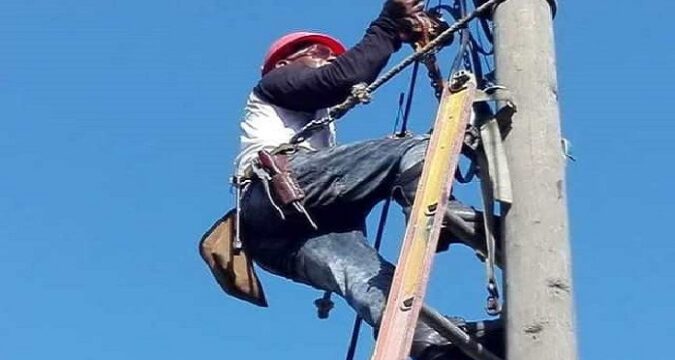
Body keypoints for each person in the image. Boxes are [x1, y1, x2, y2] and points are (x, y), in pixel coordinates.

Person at [233, 1, 502, 358]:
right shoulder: (273, 85)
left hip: (280, 238)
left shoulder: (316, 122)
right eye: (317, 52)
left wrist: (399, 29)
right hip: (276, 194)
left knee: (367, 277)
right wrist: (389, 27)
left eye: (330, 53)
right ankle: (450, 218)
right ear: (284, 64)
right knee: (415, 148)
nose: (328, 57)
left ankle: (430, 344)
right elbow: (340, 79)